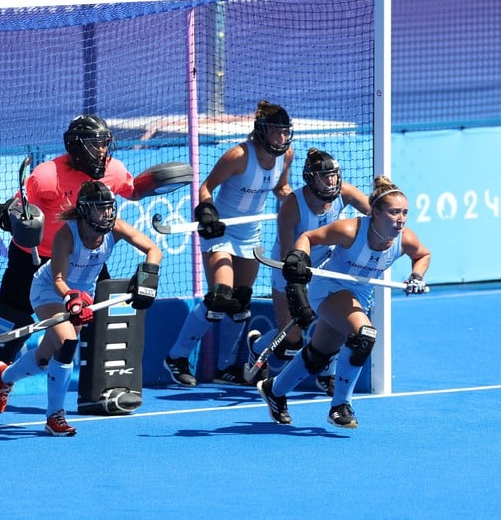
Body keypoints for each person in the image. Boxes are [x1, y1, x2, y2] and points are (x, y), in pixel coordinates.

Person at [0, 114, 135, 409]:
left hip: (85, 256)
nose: (102, 151)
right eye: (95, 144)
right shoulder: (47, 176)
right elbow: (17, 207)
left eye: (104, 143)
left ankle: (103, 386)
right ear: (77, 146)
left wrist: (157, 181)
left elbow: (133, 190)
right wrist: (9, 215)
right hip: (33, 256)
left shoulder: (115, 171)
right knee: (8, 315)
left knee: (97, 317)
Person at [0, 181, 162, 436]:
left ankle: (4, 376)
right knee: (68, 342)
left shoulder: (115, 228)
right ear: (85, 210)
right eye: (100, 209)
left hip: (84, 293)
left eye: (109, 208)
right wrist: (71, 298)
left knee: (47, 356)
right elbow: (58, 278)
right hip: (50, 290)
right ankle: (55, 417)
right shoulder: (67, 235)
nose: (107, 214)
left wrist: (147, 279)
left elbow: (153, 250)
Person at [258, 175, 431, 428]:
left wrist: (416, 275)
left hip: (358, 294)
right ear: (376, 213)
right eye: (394, 212)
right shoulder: (351, 230)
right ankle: (340, 405)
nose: (401, 219)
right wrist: (298, 258)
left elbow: (423, 254)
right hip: (329, 287)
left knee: (319, 354)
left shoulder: (405, 239)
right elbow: (308, 237)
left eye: (405, 212)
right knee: (365, 336)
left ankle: (275, 389)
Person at [164, 100, 295, 386]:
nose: (283, 138)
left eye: (286, 132)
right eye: (277, 132)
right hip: (221, 231)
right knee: (220, 296)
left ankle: (225, 369)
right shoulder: (237, 156)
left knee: (240, 301)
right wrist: (208, 211)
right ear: (261, 131)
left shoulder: (287, 156)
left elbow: (281, 188)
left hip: (250, 234)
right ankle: (177, 356)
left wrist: (299, 203)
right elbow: (206, 187)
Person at [246, 148, 370, 395]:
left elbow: (374, 215)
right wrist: (298, 289)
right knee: (291, 342)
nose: (331, 181)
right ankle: (257, 347)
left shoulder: (344, 193)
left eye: (334, 175)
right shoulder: (293, 205)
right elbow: (285, 253)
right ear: (311, 179)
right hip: (290, 269)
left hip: (326, 268)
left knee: (335, 323)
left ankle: (328, 375)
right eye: (325, 176)